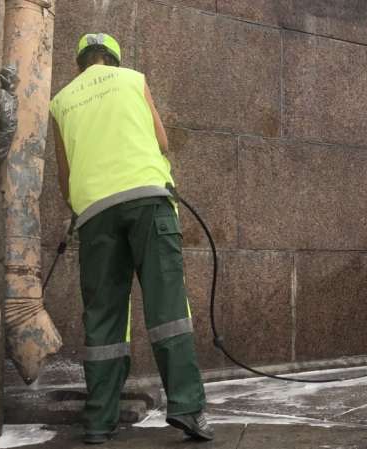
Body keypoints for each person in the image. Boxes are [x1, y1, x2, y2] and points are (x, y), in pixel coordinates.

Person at [49, 33, 214, 444]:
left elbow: (64, 178)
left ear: (79, 66)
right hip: (148, 202)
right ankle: (187, 408)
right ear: (116, 62)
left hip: (94, 215)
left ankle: (99, 423)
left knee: (103, 316)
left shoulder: (61, 101)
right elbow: (161, 141)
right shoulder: (133, 80)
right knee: (167, 306)